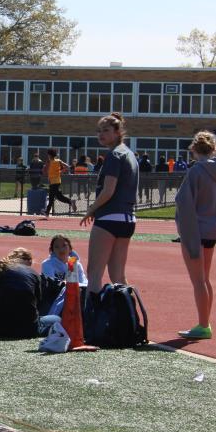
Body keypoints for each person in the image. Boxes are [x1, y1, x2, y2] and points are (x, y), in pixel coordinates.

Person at [174, 131, 216, 340]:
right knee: (204, 279)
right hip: (211, 230)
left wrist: (184, 230)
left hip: (195, 230)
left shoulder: (196, 171)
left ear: (194, 150)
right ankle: (205, 321)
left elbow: (183, 201)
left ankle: (204, 324)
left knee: (198, 281)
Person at [79, 112, 139, 296]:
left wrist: (91, 209)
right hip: (127, 219)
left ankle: (93, 311)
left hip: (109, 218)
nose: (101, 134)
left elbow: (108, 191)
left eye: (106, 130)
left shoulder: (114, 155)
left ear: (118, 131)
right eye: (99, 131)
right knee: (118, 276)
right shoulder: (129, 154)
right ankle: (129, 311)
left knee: (94, 273)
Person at [0, 248, 47, 339]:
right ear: (29, 261)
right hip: (27, 330)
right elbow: (37, 305)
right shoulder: (34, 274)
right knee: (56, 319)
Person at [44, 148, 75, 216]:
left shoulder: (49, 161)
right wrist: (61, 172)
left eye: (48, 154)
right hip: (57, 181)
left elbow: (45, 170)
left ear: (49, 155)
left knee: (54, 197)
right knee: (56, 197)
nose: (47, 156)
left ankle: (70, 201)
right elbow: (67, 167)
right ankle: (47, 212)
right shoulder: (58, 161)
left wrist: (57, 172)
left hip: (53, 182)